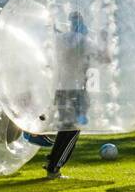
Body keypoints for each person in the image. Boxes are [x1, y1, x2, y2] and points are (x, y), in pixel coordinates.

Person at [35, 10, 110, 178]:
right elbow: (105, 58)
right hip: (76, 91)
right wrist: (104, 39)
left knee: (65, 128)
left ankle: (52, 164)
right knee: (73, 130)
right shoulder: (84, 40)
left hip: (60, 90)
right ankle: (54, 167)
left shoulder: (60, 39)